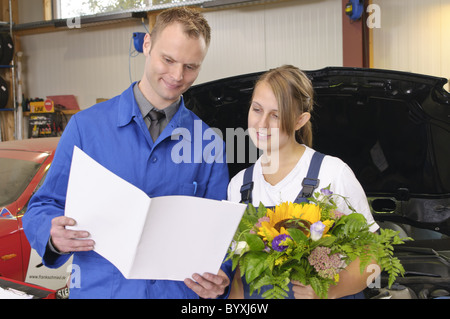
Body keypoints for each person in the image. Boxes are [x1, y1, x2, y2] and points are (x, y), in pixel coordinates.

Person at [23, 7, 232, 299]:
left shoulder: (208, 143)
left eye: (191, 66)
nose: (177, 75)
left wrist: (221, 274)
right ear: (147, 45)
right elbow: (43, 205)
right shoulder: (86, 127)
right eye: (168, 60)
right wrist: (52, 234)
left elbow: (221, 235)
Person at [227, 65, 379, 299]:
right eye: (257, 109)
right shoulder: (238, 185)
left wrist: (327, 292)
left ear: (300, 120)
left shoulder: (332, 174)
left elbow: (374, 260)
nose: (262, 123)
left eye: (276, 115)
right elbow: (239, 273)